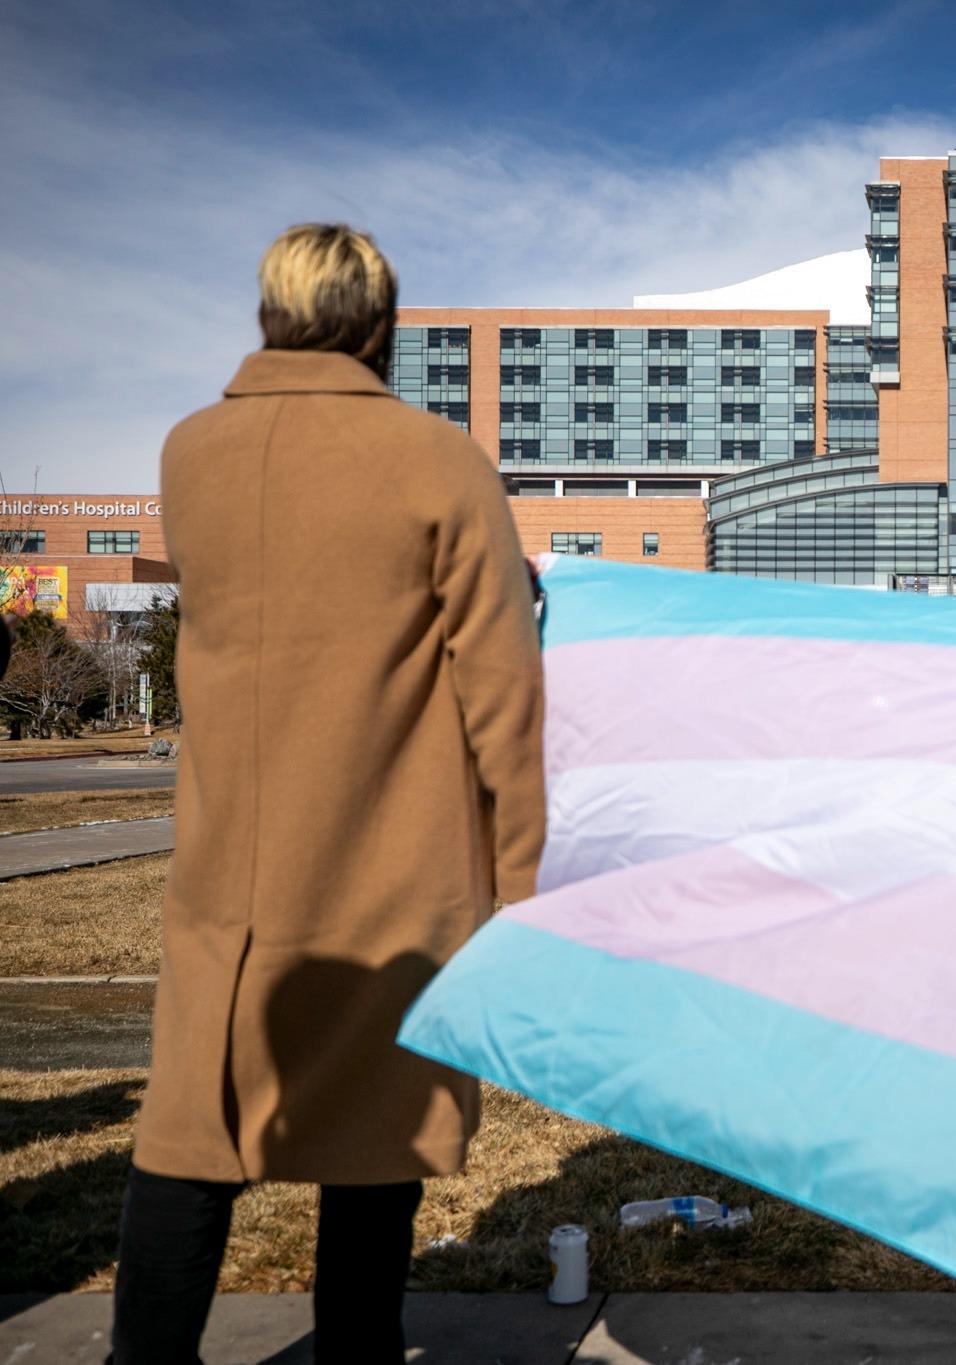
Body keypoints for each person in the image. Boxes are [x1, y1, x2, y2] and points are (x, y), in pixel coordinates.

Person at [111, 224, 544, 1363]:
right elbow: (501, 696)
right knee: (373, 1143)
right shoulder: (440, 462)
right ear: (380, 324)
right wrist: (527, 883)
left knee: (192, 1128)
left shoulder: (189, 453)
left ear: (269, 315)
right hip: (394, 870)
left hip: (231, 870)